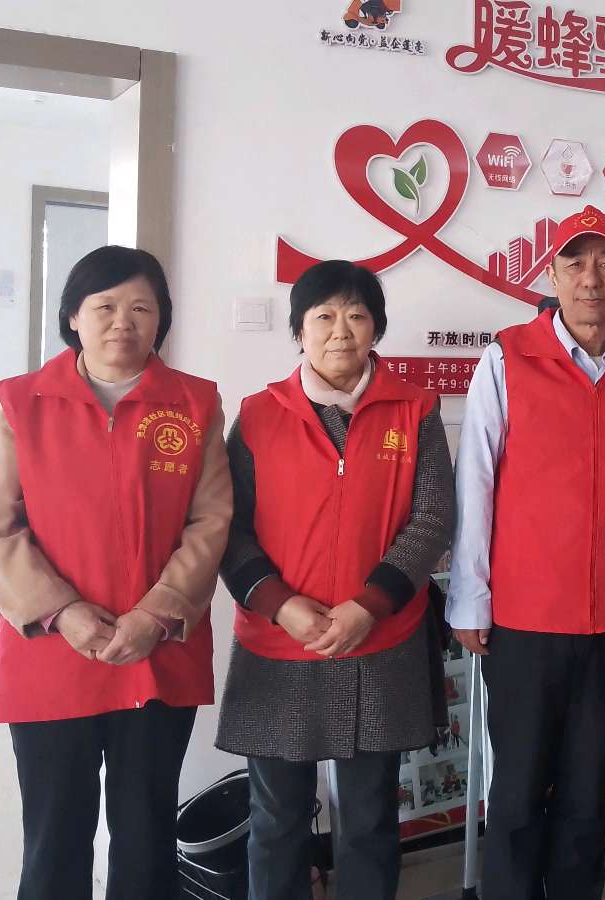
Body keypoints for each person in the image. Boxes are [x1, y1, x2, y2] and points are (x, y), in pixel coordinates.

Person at [0, 245, 232, 900]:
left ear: (161, 320)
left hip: (156, 651)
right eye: (106, 306)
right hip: (53, 652)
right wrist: (61, 611)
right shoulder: (22, 403)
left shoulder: (195, 404)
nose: (124, 322)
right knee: (55, 837)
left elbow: (211, 520)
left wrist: (158, 612)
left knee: (146, 837)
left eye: (142, 308)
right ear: (73, 316)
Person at [216, 260, 455, 900]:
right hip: (279, 644)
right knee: (277, 820)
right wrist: (280, 604)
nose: (340, 330)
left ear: (377, 327)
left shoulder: (416, 409)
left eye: (356, 315)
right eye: (323, 316)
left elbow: (433, 516)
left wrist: (368, 605)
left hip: (379, 640)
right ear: (299, 330)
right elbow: (228, 525)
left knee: (371, 818)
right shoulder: (259, 414)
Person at [447, 205, 605, 900]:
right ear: (551, 275)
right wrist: (470, 597)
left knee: (584, 791)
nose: (590, 279)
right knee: (516, 793)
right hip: (525, 618)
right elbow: (475, 479)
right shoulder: (508, 358)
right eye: (575, 263)